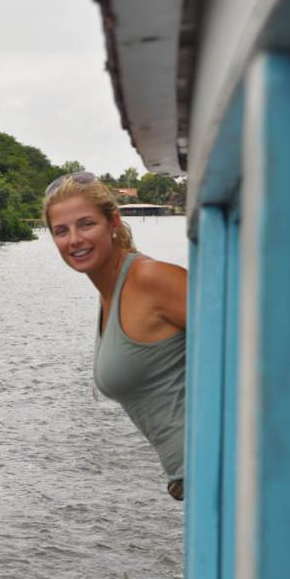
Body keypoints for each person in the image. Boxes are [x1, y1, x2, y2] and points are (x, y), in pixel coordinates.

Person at [43, 172, 187, 501]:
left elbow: (253, 342)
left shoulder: (151, 279)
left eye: (86, 224)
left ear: (113, 223)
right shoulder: (110, 291)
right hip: (200, 479)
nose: (74, 239)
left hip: (228, 469)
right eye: (61, 231)